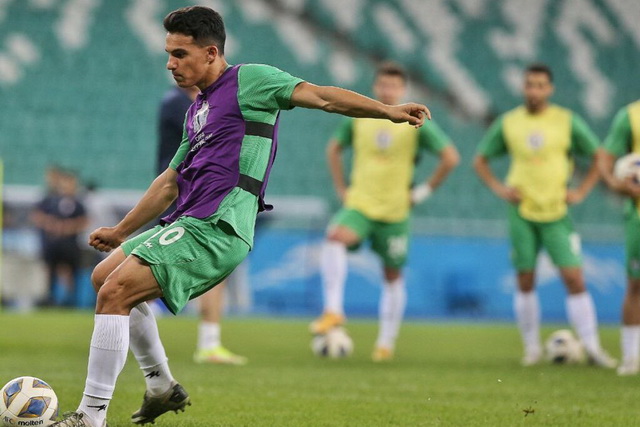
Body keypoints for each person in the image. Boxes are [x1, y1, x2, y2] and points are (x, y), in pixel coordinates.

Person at [52, 6, 431, 426]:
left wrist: (387, 111)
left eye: (180, 54)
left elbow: (322, 96)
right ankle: (161, 386)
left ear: (211, 53)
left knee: (115, 293)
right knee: (104, 277)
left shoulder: (250, 80)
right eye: (169, 54)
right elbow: (169, 183)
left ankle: (91, 416)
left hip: (219, 225)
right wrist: (120, 231)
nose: (170, 63)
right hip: (188, 220)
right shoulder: (197, 110)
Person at [309, 62, 459, 362]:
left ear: (403, 89)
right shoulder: (359, 117)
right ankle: (333, 311)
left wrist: (422, 192)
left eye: (394, 86)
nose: (388, 90)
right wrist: (341, 188)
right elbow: (334, 148)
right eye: (383, 84)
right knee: (334, 239)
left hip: (395, 212)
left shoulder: (414, 121)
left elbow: (450, 157)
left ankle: (385, 343)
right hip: (361, 205)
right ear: (375, 86)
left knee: (392, 275)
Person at [473, 63, 616, 368]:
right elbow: (480, 160)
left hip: (556, 212)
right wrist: (500, 188)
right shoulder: (509, 122)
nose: (534, 91)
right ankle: (532, 349)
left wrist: (581, 190)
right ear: (523, 87)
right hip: (521, 212)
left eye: (540, 85)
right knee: (525, 280)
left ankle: (592, 348)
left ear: (550, 89)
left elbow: (599, 155)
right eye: (529, 85)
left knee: (574, 278)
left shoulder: (566, 121)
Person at [158, 84, 246, 365]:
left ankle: (209, 342)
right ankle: (206, 342)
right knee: (156, 266)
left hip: (197, 193)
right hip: (182, 193)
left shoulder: (188, 102)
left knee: (211, 264)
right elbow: (208, 133)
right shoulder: (177, 103)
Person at [599, 100, 640, 375]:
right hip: (638, 214)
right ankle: (631, 357)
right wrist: (616, 184)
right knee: (636, 285)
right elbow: (605, 156)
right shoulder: (631, 116)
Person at [31, 167, 89, 307]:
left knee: (71, 271)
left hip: (71, 244)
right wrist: (51, 225)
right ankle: (49, 297)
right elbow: (37, 215)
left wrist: (68, 228)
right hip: (53, 243)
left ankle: (70, 299)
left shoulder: (78, 203)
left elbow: (84, 221)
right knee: (50, 270)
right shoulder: (51, 200)